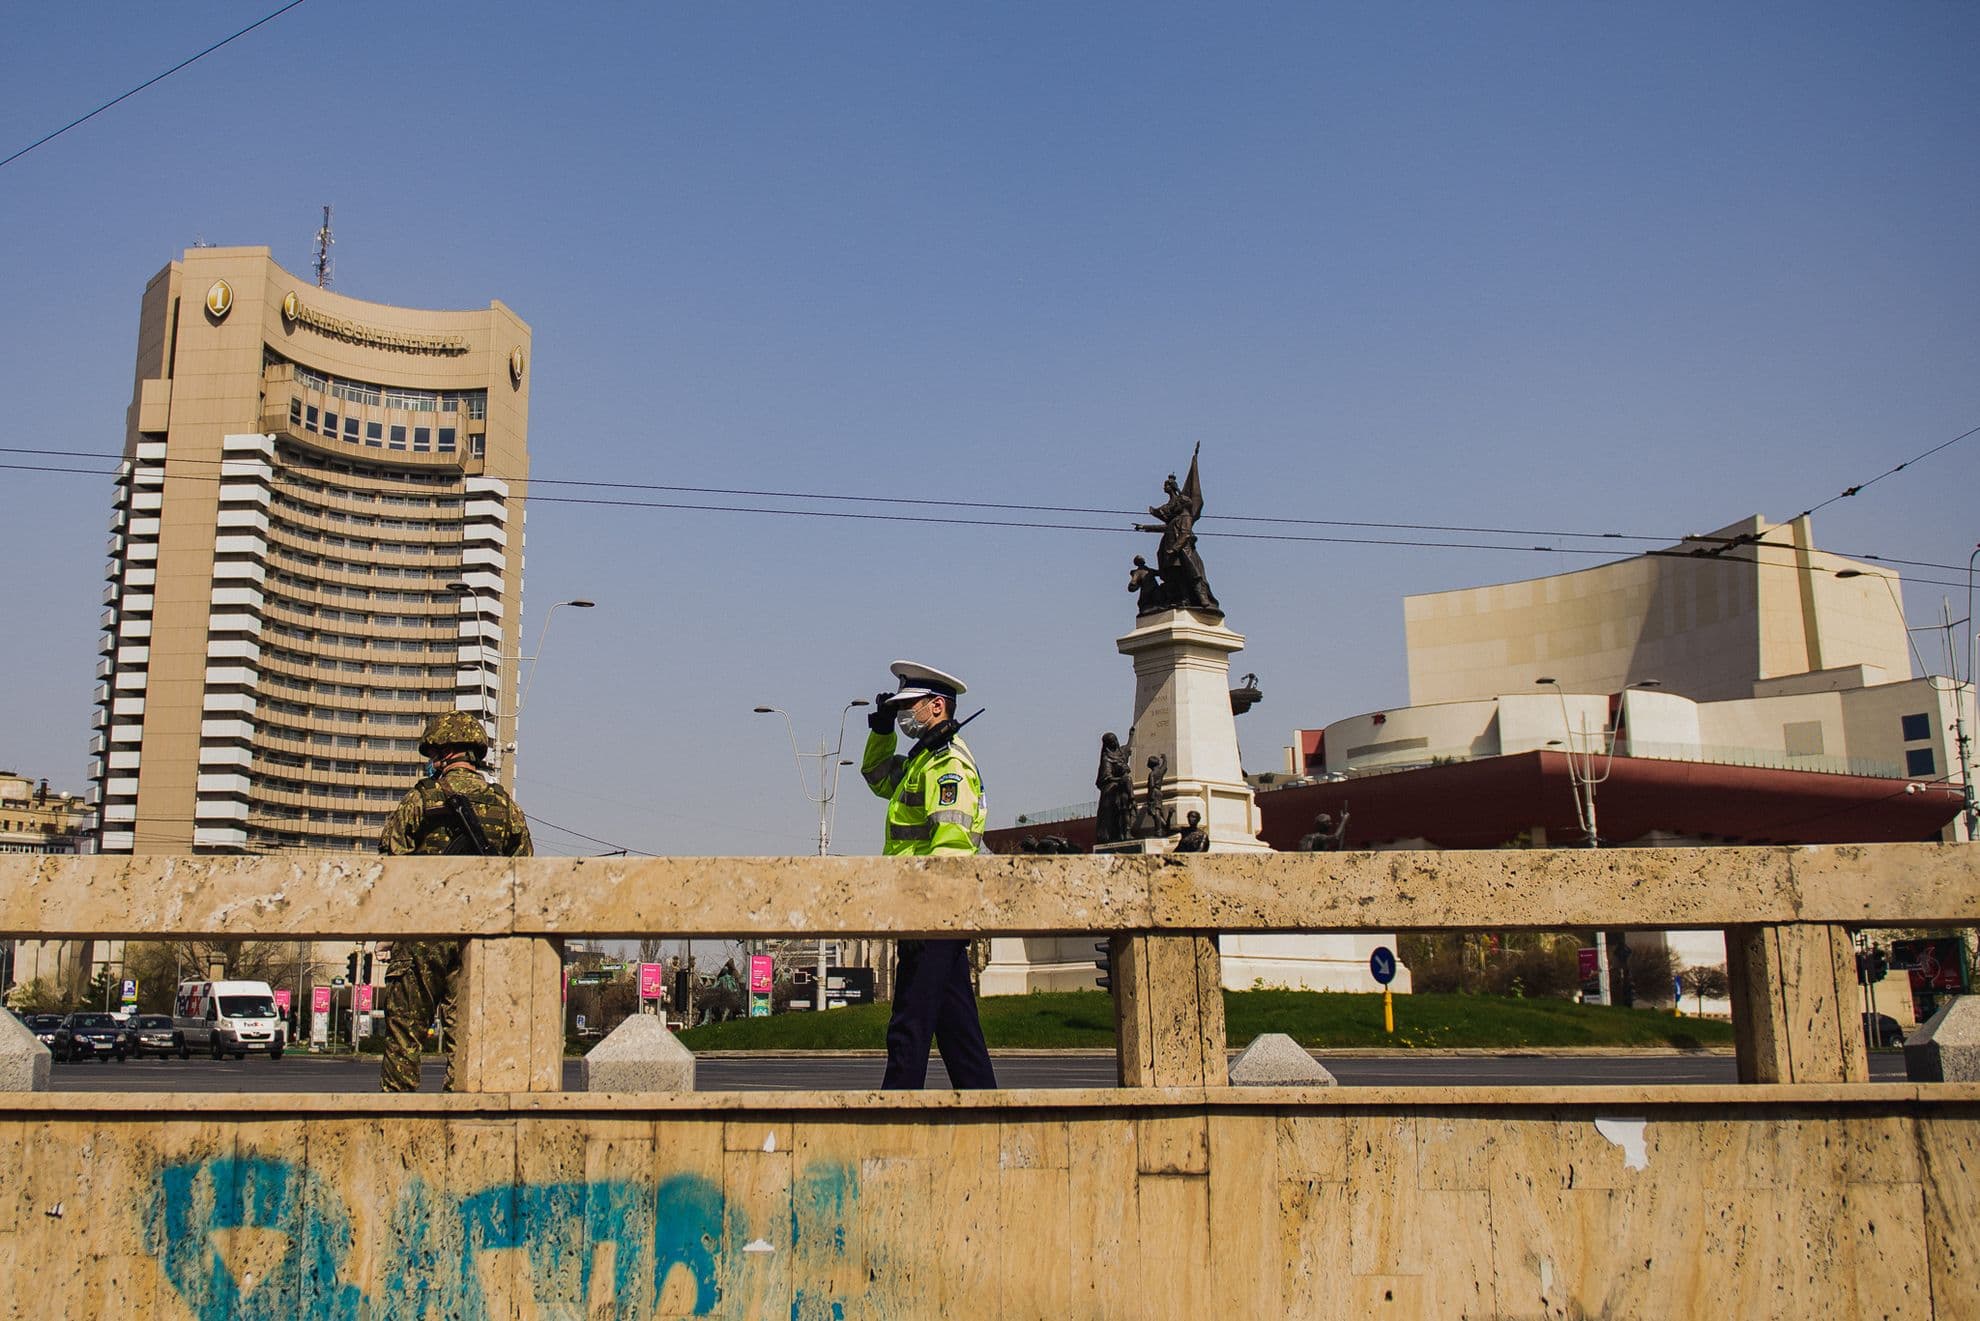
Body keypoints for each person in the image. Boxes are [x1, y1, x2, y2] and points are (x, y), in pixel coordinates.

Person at [377, 710, 532, 1092]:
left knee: (404, 1034)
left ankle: (397, 1118)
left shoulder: (423, 797)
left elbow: (390, 858)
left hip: (423, 929)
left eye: (433, 754)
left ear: (443, 753)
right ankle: (460, 1112)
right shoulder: (504, 805)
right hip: (479, 933)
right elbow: (524, 869)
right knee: (465, 1035)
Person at [860, 660, 997, 1090]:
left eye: (908, 706)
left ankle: (894, 1120)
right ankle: (988, 1115)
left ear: (937, 707)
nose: (903, 714)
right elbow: (877, 777)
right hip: (931, 914)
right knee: (958, 1032)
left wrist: (924, 914)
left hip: (935, 912)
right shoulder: (922, 760)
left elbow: (950, 851)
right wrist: (881, 730)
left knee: (909, 1026)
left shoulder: (947, 765)